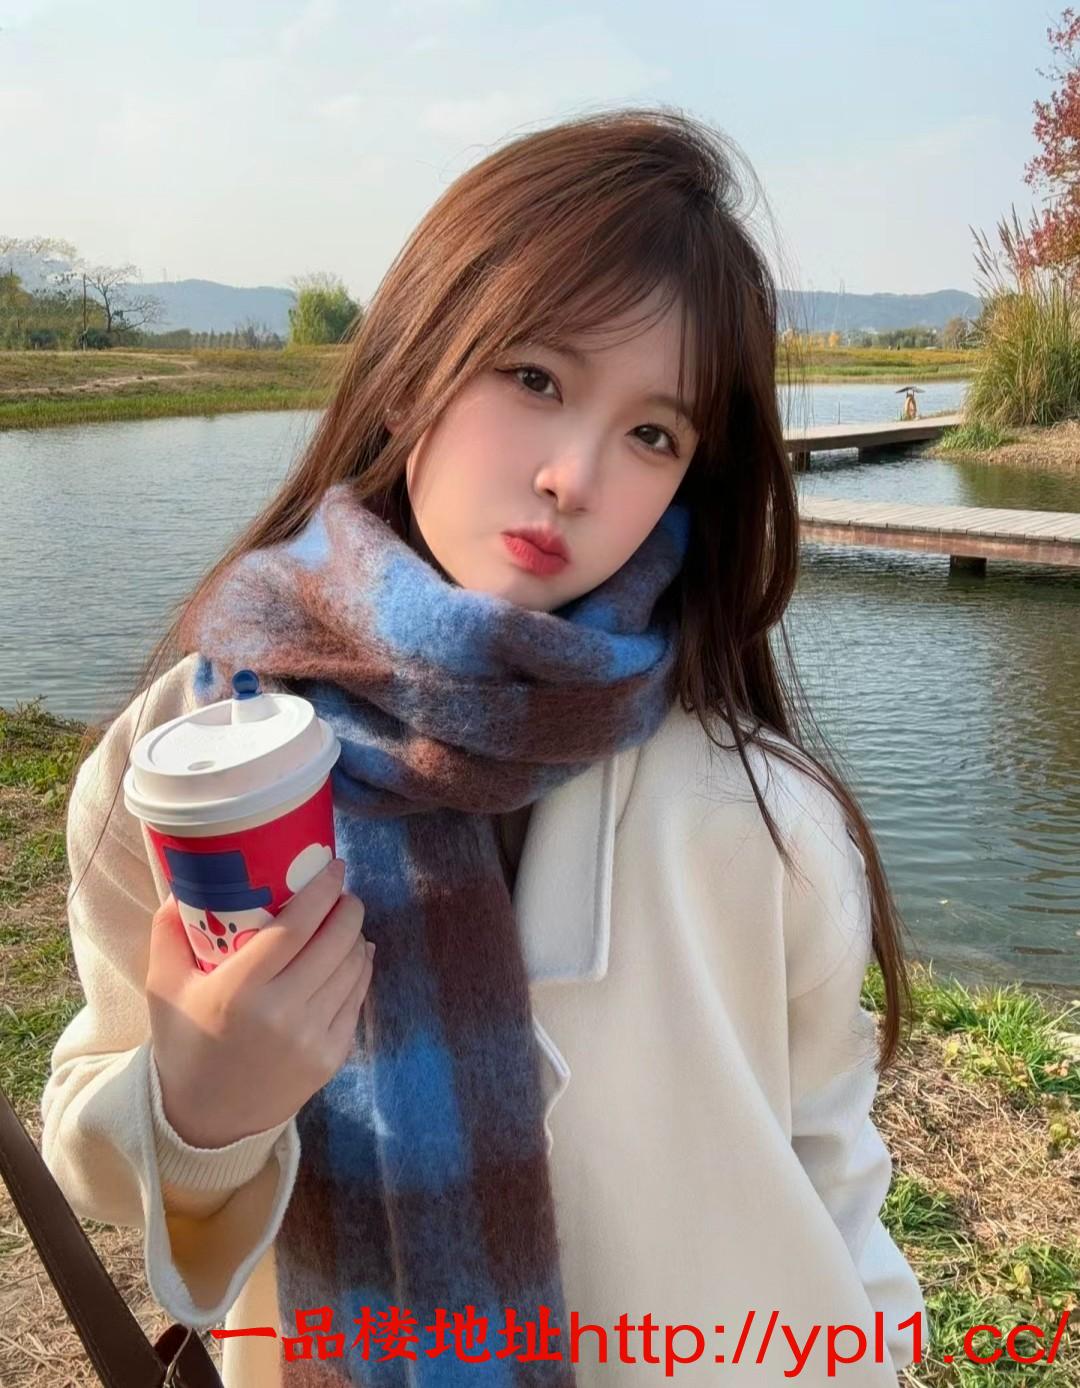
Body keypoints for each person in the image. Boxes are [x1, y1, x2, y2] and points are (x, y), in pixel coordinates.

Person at [41, 105, 928, 1386]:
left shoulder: (763, 810)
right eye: (535, 378)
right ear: (415, 366)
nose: (575, 475)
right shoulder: (188, 757)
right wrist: (198, 1107)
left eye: (653, 433)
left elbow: (834, 1174)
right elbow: (93, 1138)